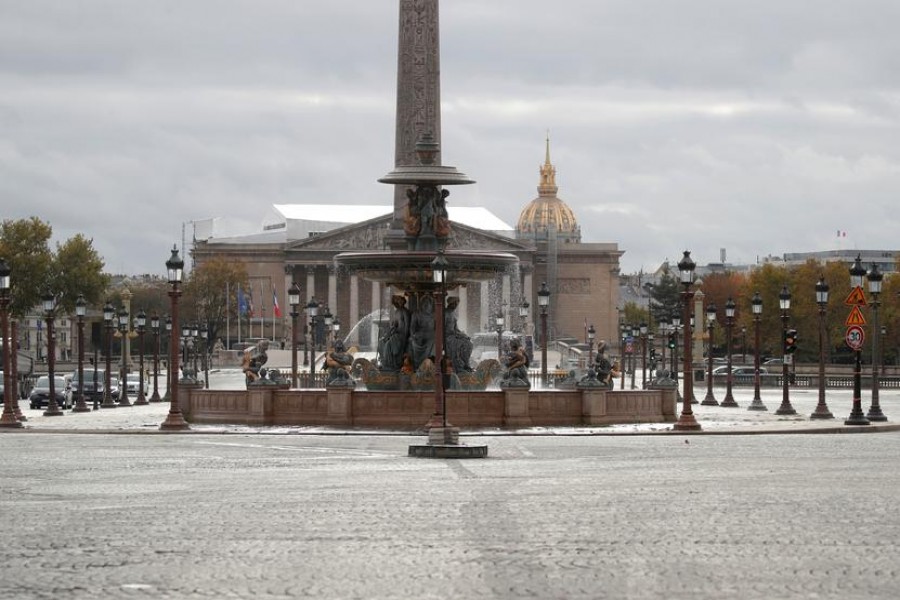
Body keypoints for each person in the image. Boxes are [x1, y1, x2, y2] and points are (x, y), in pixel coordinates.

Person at [378, 295, 411, 371]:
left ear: (402, 302)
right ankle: (385, 362)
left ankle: (393, 364)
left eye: (399, 301)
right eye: (396, 302)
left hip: (402, 335)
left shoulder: (405, 312)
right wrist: (389, 333)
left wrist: (405, 338)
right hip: (396, 334)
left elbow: (407, 326)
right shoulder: (396, 312)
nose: (397, 303)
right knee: (382, 341)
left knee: (389, 344)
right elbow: (394, 326)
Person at [444, 296, 473, 372]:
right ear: (450, 304)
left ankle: (465, 363)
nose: (456, 305)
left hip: (453, 335)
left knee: (469, 343)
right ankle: (459, 364)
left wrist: (463, 335)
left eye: (457, 304)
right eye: (454, 303)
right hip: (447, 337)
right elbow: (443, 329)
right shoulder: (446, 313)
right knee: (463, 345)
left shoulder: (453, 314)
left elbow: (455, 328)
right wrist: (458, 334)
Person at [408, 295, 435, 369]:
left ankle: (430, 364)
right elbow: (412, 327)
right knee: (412, 342)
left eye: (428, 304)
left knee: (433, 341)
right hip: (419, 335)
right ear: (421, 305)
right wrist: (414, 335)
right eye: (424, 304)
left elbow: (438, 328)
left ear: (431, 305)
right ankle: (417, 366)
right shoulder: (416, 314)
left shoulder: (434, 315)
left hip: (431, 335)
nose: (426, 306)